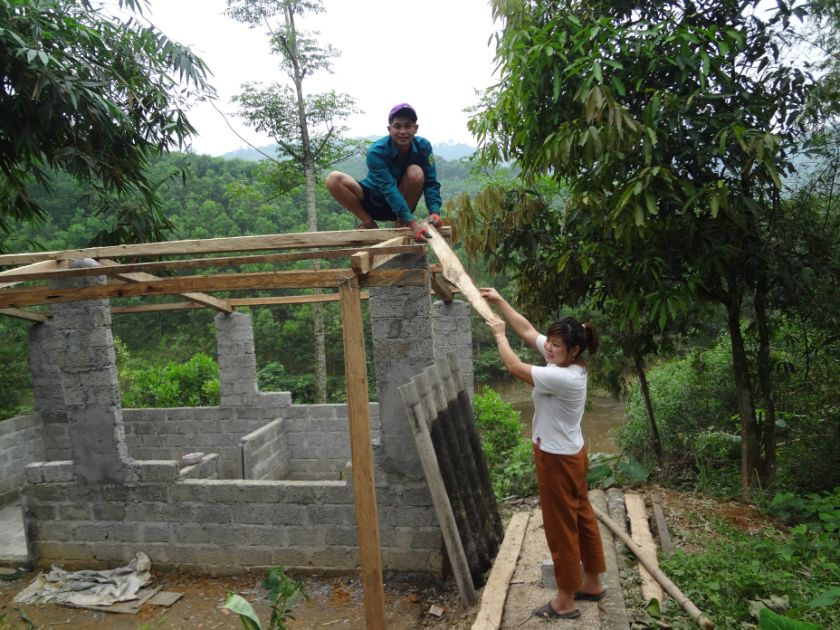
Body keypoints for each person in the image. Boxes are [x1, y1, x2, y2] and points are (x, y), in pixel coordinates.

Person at [479, 287, 607, 620]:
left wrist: (497, 334)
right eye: (548, 341)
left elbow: (512, 365)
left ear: (574, 350)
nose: (547, 347)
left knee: (559, 526)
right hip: (573, 452)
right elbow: (526, 330)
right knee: (581, 516)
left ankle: (565, 601)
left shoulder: (560, 377)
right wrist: (500, 300)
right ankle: (592, 582)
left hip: (556, 459)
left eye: (555, 344)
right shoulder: (568, 364)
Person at [325, 103, 444, 243]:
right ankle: (369, 224)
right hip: (372, 200)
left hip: (403, 201)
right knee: (333, 179)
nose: (403, 131)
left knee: (416, 172)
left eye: (408, 126)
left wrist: (434, 212)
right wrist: (412, 223)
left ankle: (400, 223)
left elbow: (431, 182)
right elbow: (388, 188)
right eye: (397, 126)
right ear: (389, 129)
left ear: (415, 128)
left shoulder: (424, 147)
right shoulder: (376, 151)